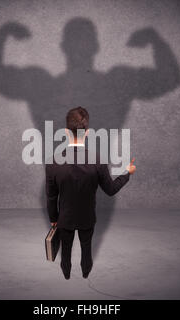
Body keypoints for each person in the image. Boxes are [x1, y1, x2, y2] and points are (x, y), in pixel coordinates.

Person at [45, 106, 136, 279]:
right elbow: (110, 190)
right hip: (87, 217)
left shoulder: (53, 163)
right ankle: (86, 273)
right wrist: (127, 173)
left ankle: (66, 274)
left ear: (65, 132)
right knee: (87, 249)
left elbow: (51, 197)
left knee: (65, 250)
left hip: (65, 219)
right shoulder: (97, 161)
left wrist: (54, 219)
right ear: (87, 133)